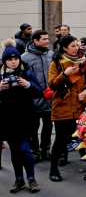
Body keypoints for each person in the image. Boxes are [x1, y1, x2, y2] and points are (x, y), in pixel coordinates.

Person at [47, 35, 86, 182]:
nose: (76, 48)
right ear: (64, 48)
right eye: (73, 46)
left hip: (80, 106)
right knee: (60, 140)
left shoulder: (84, 61)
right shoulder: (57, 63)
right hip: (62, 107)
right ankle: (53, 170)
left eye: (77, 45)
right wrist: (65, 75)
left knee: (85, 137)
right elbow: (52, 84)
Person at [0, 39, 43, 193]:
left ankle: (31, 179)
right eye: (10, 60)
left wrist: (28, 85)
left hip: (26, 118)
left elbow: (39, 92)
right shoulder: (0, 75)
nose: (13, 62)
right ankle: (19, 180)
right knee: (14, 152)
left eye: (16, 59)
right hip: (7, 119)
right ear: (5, 61)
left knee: (25, 149)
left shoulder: (27, 72)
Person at [21, 30, 54, 163]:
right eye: (44, 39)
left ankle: (46, 149)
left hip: (50, 97)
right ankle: (35, 151)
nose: (47, 41)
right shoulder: (24, 58)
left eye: (47, 38)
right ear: (35, 40)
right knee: (33, 127)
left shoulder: (51, 55)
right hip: (32, 98)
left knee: (48, 125)